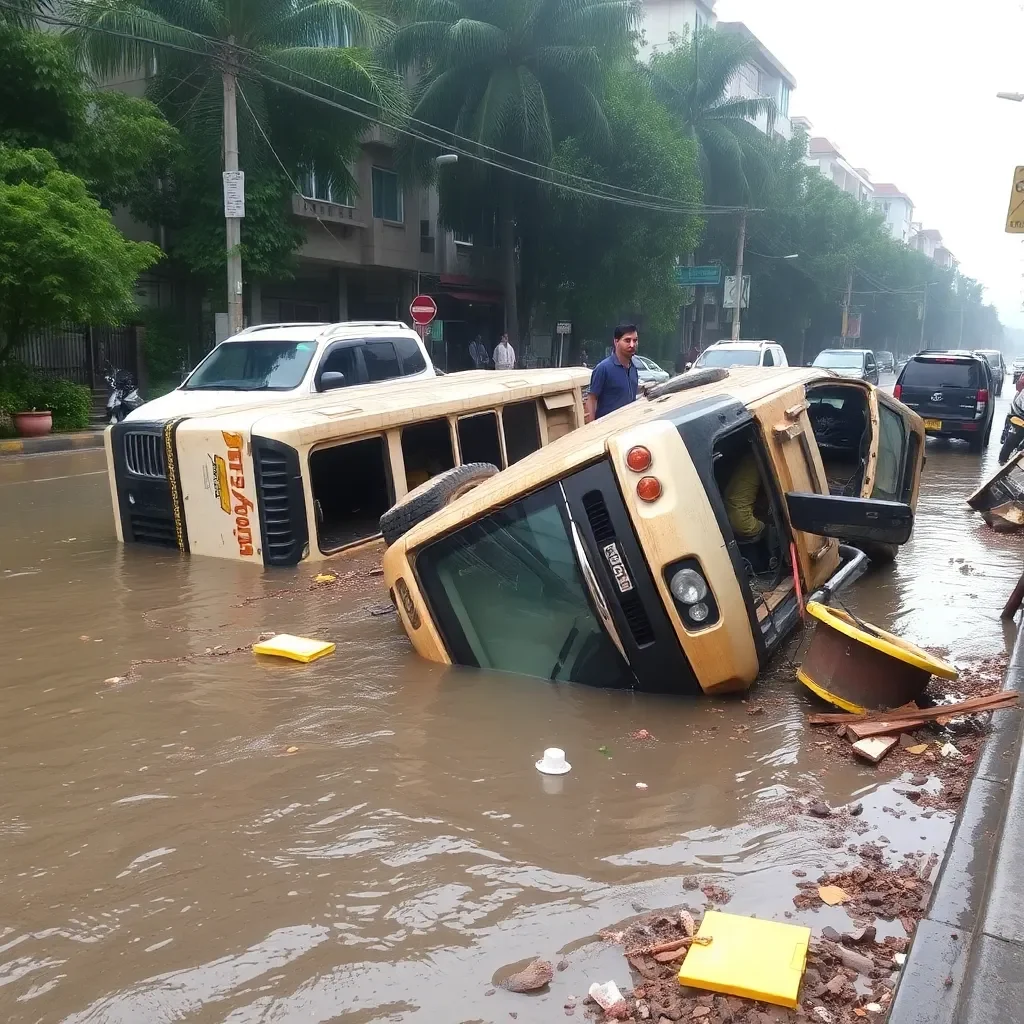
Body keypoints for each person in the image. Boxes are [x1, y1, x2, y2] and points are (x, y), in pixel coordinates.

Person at [584, 324, 640, 422]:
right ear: (616, 341)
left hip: (627, 430)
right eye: (627, 340)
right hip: (606, 432)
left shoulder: (633, 370)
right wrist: (592, 429)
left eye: (635, 340)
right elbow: (591, 400)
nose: (632, 345)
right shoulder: (603, 368)